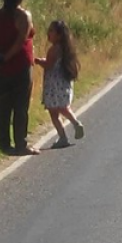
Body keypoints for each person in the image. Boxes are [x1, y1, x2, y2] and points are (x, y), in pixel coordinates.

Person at [0, 0, 40, 156]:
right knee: (20, 105)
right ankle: (21, 144)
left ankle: (3, 143)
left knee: (2, 105)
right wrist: (8, 57)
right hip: (20, 64)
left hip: (1, 66)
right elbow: (21, 41)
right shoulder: (24, 16)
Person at [35, 20, 85, 148]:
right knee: (64, 107)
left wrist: (38, 61)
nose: (48, 33)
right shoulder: (66, 49)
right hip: (64, 83)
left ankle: (63, 137)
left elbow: (49, 64)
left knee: (54, 113)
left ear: (59, 35)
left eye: (51, 31)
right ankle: (75, 123)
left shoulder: (53, 49)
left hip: (53, 84)